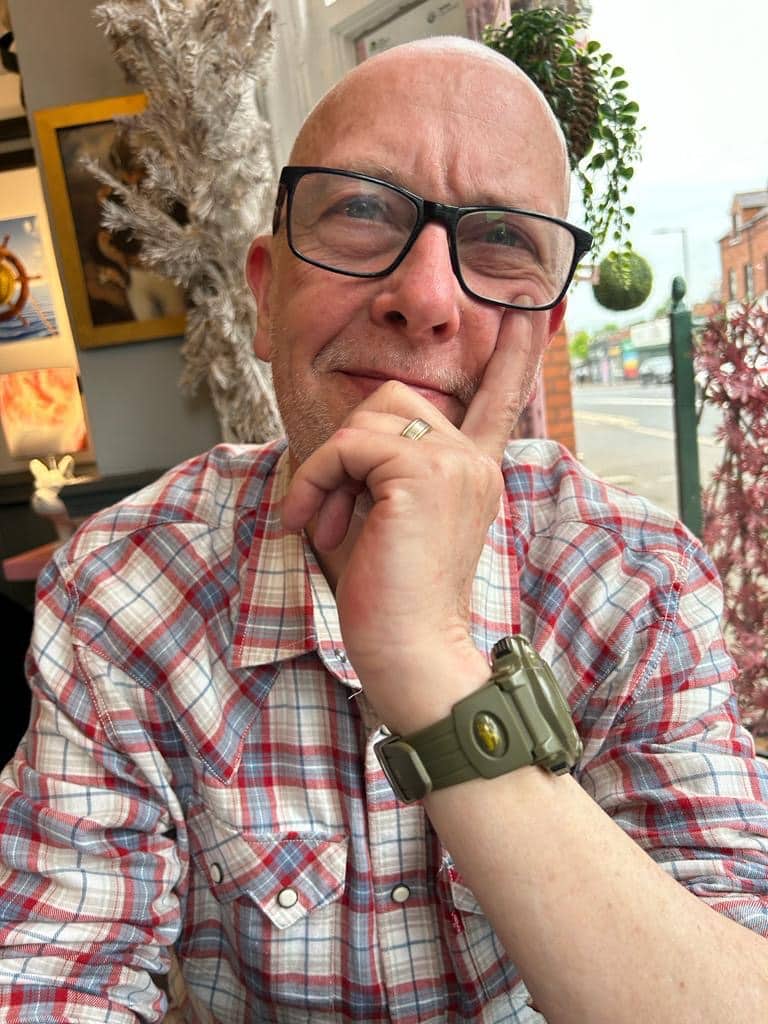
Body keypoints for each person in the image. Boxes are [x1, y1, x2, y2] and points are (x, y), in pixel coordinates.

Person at [0, 36, 766, 1024]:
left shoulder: (637, 578)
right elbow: (54, 971)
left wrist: (429, 661)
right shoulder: (118, 584)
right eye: (362, 211)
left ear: (544, 335)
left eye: (501, 239)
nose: (426, 299)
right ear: (267, 295)